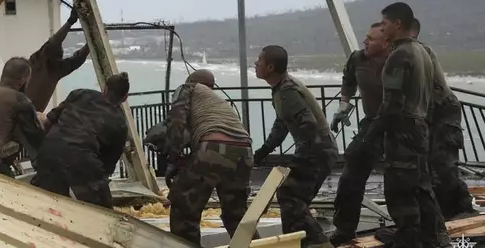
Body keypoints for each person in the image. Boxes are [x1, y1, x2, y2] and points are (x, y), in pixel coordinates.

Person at [364, 2, 443, 247]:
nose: (383, 28)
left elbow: (392, 104)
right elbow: (430, 96)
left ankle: (406, 237)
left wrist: (373, 133)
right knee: (422, 185)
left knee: (400, 187)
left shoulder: (399, 54)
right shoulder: (422, 52)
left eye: (385, 24)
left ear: (397, 23)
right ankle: (430, 237)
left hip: (402, 130)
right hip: (420, 126)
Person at [253, 46, 338, 248]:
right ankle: (306, 242)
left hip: (317, 150)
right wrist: (264, 150)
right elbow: (282, 124)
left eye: (259, 60)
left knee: (290, 196)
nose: (256, 64)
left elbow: (308, 125)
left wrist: (300, 158)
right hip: (317, 149)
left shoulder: (288, 91)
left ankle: (317, 242)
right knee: (294, 200)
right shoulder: (281, 89)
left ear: (271, 67)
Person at [164, 69, 258, 246]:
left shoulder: (188, 88)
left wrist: (172, 158)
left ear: (191, 80)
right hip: (244, 151)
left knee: (184, 210)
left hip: (214, 147)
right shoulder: (216, 102)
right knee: (236, 215)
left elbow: (177, 121)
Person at [31, 72, 130, 209]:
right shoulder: (120, 124)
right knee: (103, 210)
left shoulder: (80, 94)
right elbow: (107, 164)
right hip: (82, 160)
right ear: (125, 98)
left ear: (104, 89)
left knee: (49, 204)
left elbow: (49, 121)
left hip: (49, 150)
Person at [329, 23, 390, 245]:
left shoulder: (399, 61)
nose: (365, 42)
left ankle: (410, 228)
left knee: (401, 178)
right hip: (371, 122)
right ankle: (344, 229)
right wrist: (343, 105)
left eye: (371, 39)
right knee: (351, 175)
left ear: (386, 43)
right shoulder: (358, 59)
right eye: (365, 37)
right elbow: (348, 80)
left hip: (398, 125)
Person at [411, 18, 477, 220]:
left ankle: (462, 210)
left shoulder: (419, 51)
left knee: (443, 165)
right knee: (430, 166)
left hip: (442, 111)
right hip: (428, 113)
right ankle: (441, 213)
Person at [25, 8, 90, 112]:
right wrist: (90, 42)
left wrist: (70, 21)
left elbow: (55, 42)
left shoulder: (37, 63)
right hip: (30, 116)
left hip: (26, 115)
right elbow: (77, 59)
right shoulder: (47, 67)